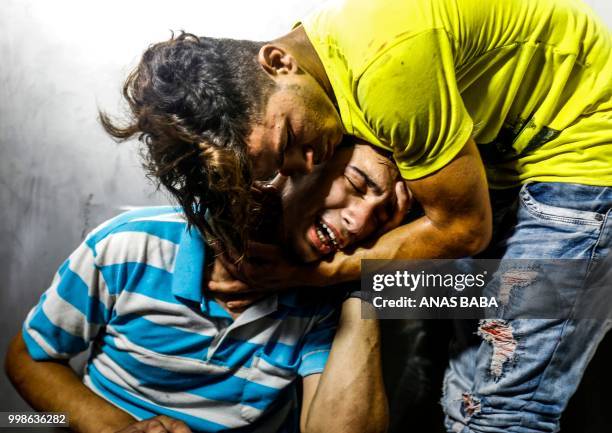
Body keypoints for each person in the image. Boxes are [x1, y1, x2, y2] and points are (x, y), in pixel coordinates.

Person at [98, 0, 611, 430]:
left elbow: (467, 233)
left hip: (582, 147)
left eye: (291, 143)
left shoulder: (384, 80)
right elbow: (538, 288)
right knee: (469, 394)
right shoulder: (329, 103)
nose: (366, 223)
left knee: (503, 407)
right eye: (279, 165)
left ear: (279, 62)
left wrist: (338, 275)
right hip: (513, 158)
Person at [5, 143, 401, 433]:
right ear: (301, 163)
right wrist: (116, 429)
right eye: (356, 182)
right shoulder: (127, 245)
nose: (361, 221)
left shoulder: (324, 301)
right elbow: (29, 359)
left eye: (384, 217)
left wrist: (363, 281)